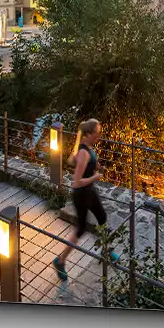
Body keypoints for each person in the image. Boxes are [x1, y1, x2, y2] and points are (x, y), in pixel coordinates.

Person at [52, 118, 116, 281]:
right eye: (96, 133)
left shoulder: (88, 147)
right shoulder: (82, 153)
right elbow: (77, 181)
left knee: (102, 217)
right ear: (88, 134)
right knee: (80, 229)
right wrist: (95, 177)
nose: (99, 136)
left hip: (89, 191)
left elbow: (90, 163)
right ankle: (60, 261)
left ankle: (106, 250)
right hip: (81, 194)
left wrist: (97, 166)